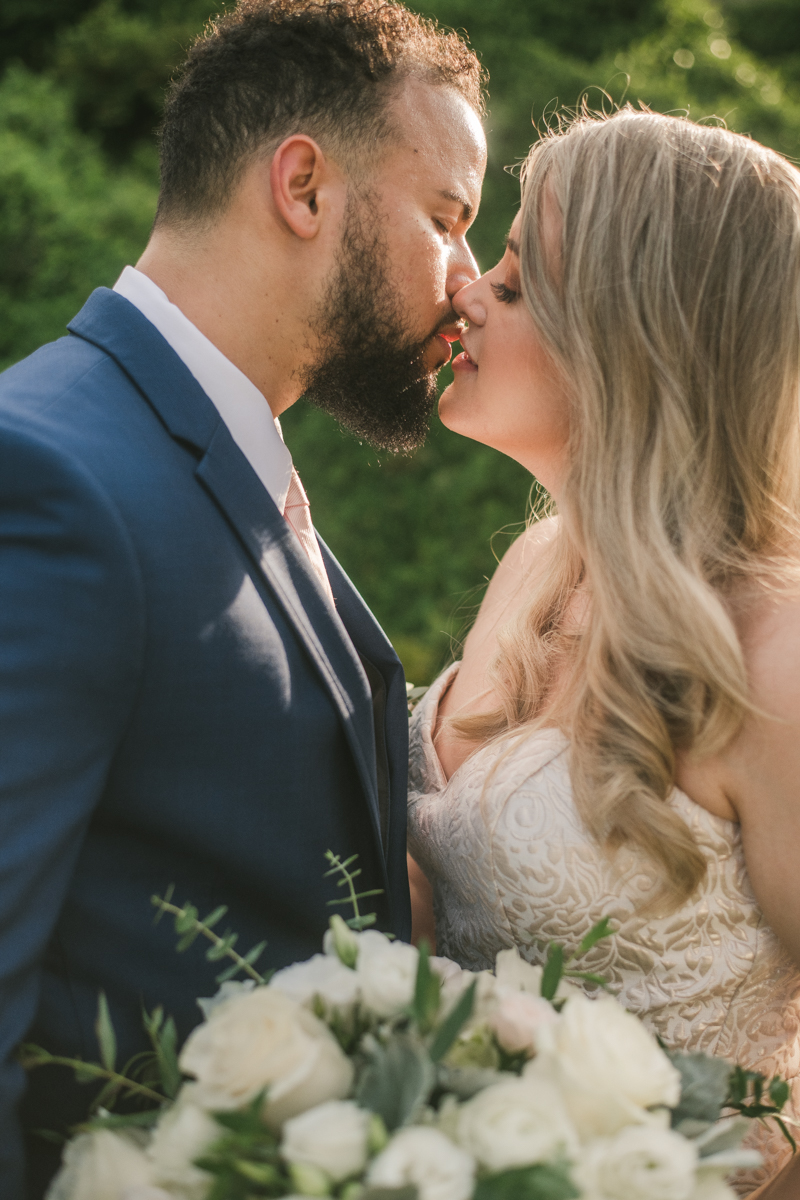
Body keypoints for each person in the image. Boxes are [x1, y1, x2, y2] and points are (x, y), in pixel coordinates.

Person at [0, 0, 486, 1194]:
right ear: (305, 187)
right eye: (445, 219)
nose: (468, 283)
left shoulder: (222, 454)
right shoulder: (49, 474)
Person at [407, 108, 800, 1198]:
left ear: (638, 341)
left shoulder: (771, 655)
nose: (463, 292)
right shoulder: (536, 568)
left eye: (518, 282)